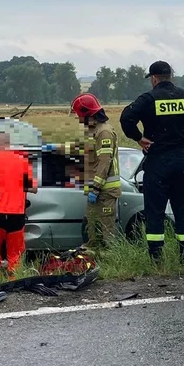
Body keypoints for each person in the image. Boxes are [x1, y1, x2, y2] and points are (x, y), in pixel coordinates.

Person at [120, 60, 184, 264]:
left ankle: (156, 259)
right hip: (181, 159)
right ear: (171, 75)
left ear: (153, 79)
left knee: (155, 210)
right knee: (182, 208)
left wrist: (138, 138)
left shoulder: (148, 98)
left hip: (157, 159)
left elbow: (126, 118)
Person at [44, 94, 121, 250]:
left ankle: (114, 266)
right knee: (91, 232)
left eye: (80, 116)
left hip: (105, 192)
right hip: (95, 191)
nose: (79, 120)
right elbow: (80, 149)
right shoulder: (93, 131)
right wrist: (56, 148)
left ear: (88, 114)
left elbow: (104, 163)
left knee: (107, 234)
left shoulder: (104, 133)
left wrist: (96, 188)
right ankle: (95, 263)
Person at [0, 132, 37, 275]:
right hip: (17, 213)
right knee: (16, 253)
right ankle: (14, 278)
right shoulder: (23, 161)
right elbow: (33, 188)